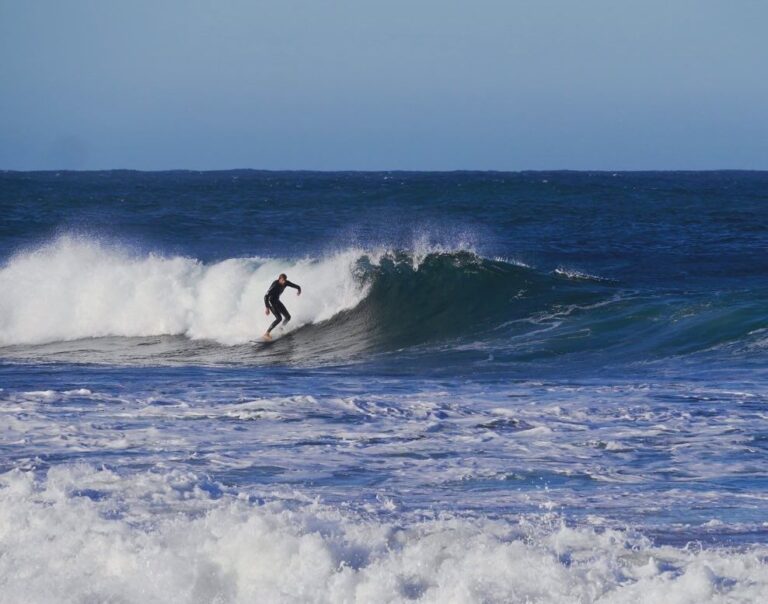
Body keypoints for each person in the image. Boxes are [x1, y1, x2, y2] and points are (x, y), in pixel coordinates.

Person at [263, 273, 301, 339]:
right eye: (282, 280)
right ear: (279, 279)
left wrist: (299, 290)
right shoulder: (275, 284)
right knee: (279, 318)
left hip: (277, 301)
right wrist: (267, 308)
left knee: (288, 317)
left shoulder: (286, 283)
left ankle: (280, 328)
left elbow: (296, 286)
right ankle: (267, 333)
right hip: (271, 302)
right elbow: (266, 296)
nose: (284, 282)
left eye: (285, 280)